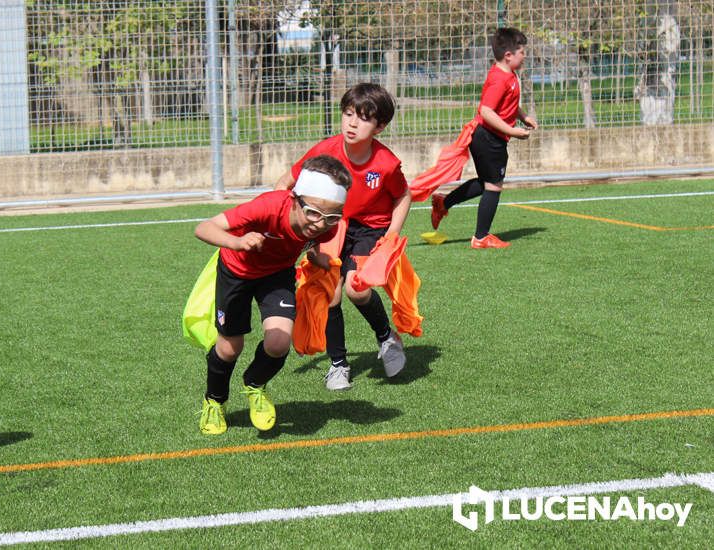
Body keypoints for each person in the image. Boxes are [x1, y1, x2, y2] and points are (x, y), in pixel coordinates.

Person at [195, 155, 351, 435]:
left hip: (276, 275)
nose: (320, 223)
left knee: (279, 343)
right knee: (230, 348)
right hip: (236, 271)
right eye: (313, 213)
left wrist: (318, 260)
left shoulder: (328, 226)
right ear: (294, 199)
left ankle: (254, 384)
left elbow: (311, 241)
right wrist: (238, 242)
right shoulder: (267, 206)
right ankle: (214, 401)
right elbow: (204, 228)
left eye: (331, 216)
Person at [276, 83, 411, 391]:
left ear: (380, 127)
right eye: (348, 114)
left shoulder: (386, 163)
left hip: (370, 227)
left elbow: (404, 195)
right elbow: (286, 182)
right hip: (331, 224)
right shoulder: (325, 150)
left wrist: (391, 234)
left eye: (363, 118)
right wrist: (281, 217)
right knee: (331, 293)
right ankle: (338, 365)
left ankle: (386, 337)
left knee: (356, 289)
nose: (352, 123)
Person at [429, 27, 538, 248]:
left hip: (489, 138)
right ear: (508, 55)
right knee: (494, 186)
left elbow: (508, 104)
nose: (525, 55)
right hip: (489, 138)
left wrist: (523, 116)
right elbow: (487, 111)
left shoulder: (509, 74)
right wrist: (512, 131)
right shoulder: (500, 78)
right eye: (522, 52)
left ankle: (444, 203)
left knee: (485, 182)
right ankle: (480, 237)